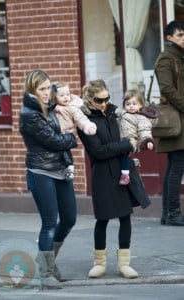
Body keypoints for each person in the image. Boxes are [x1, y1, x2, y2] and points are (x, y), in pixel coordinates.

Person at [78, 79, 150, 279]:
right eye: (99, 100)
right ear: (90, 100)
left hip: (122, 171)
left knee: (125, 217)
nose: (104, 103)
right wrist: (127, 144)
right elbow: (99, 151)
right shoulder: (84, 121)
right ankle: (99, 263)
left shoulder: (115, 113)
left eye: (107, 98)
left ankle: (124, 264)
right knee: (102, 219)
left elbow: (137, 123)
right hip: (102, 174)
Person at [19, 70, 78, 289]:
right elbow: (53, 141)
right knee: (50, 222)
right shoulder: (30, 114)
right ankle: (46, 273)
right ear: (33, 90)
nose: (46, 93)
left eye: (48, 88)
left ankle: (48, 263)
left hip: (60, 169)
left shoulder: (51, 108)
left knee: (70, 218)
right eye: (41, 89)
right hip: (41, 172)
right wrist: (71, 136)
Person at [154, 20, 184, 226]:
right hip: (177, 118)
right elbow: (167, 89)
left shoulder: (179, 57)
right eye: (180, 35)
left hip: (180, 117)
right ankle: (172, 212)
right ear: (169, 37)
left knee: (175, 165)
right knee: (178, 165)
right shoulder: (167, 58)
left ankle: (167, 213)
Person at [51, 81, 97, 180]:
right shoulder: (51, 108)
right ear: (54, 97)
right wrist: (55, 107)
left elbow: (80, 118)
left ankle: (70, 168)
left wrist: (87, 126)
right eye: (62, 95)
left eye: (68, 94)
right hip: (53, 134)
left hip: (65, 134)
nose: (66, 97)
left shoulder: (72, 108)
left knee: (65, 151)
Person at [119, 89, 158, 185]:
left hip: (131, 142)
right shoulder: (123, 114)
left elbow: (145, 130)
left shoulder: (142, 118)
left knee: (125, 156)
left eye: (134, 104)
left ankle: (125, 176)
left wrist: (148, 141)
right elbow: (114, 110)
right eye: (128, 104)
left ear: (140, 105)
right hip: (121, 140)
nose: (131, 106)